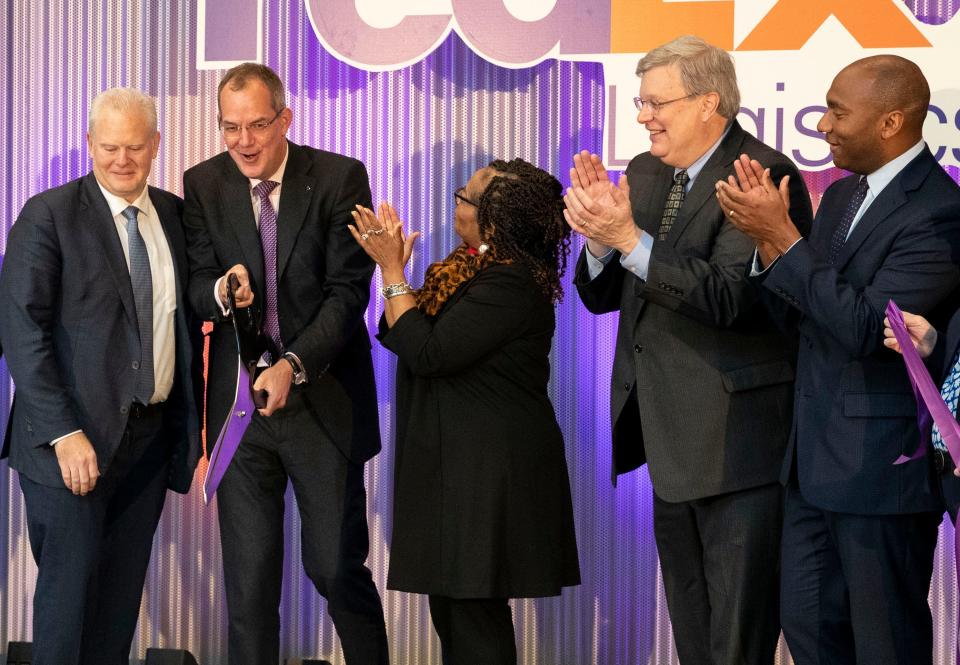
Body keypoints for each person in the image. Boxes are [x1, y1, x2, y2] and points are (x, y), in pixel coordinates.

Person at [563, 36, 812, 665]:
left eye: (655, 102)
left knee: (737, 635)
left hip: (737, 442)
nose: (643, 116)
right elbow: (605, 299)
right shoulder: (647, 171)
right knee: (692, 626)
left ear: (709, 102)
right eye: (641, 102)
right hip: (666, 435)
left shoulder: (762, 174)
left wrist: (629, 238)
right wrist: (599, 239)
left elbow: (732, 299)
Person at [716, 55, 960, 665]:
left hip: (882, 472)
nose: (822, 125)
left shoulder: (940, 210)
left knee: (884, 644)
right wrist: (765, 249)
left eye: (837, 111)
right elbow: (807, 312)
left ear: (891, 121)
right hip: (809, 466)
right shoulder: (843, 194)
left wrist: (782, 240)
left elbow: (867, 329)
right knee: (808, 632)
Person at [181, 63, 389, 665]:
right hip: (241, 416)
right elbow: (196, 284)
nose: (243, 141)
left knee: (333, 569)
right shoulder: (204, 184)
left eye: (257, 126)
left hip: (321, 405)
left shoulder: (337, 177)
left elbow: (349, 293)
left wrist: (293, 364)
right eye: (230, 128)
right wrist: (222, 291)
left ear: (285, 120)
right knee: (248, 590)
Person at [348, 158, 580, 665]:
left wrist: (391, 272)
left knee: (474, 615)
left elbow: (429, 353)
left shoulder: (509, 283)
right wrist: (398, 279)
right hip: (454, 468)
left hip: (486, 471)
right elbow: (403, 334)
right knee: (453, 611)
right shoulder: (467, 269)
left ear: (493, 221)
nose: (456, 203)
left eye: (466, 197)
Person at [0, 88, 203, 665]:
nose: (121, 160)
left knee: (117, 605)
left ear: (155, 145)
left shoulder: (174, 215)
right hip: (72, 449)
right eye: (109, 147)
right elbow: (22, 330)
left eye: (134, 147)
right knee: (67, 608)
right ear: (89, 144)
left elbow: (183, 317)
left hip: (149, 441)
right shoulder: (48, 215)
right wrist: (64, 433)